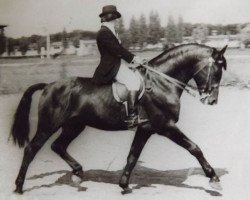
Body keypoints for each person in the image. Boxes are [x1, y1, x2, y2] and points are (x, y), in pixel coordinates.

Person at [93, 5, 145, 128]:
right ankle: (132, 117)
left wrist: (133, 61)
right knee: (134, 82)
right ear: (111, 17)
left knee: (137, 75)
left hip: (117, 64)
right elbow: (116, 49)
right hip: (111, 67)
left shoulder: (110, 31)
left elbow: (119, 50)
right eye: (115, 18)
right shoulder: (104, 33)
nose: (117, 20)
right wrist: (133, 58)